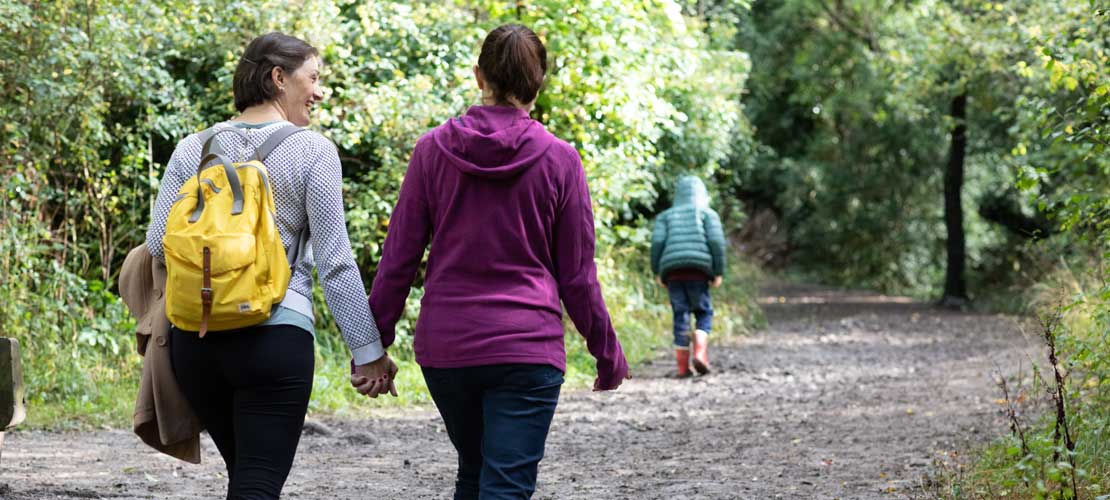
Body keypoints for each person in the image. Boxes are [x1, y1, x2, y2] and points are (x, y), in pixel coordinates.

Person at [360, 23, 629, 500]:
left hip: (448, 350)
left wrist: (372, 348)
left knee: (475, 473)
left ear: (479, 76)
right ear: (538, 82)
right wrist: (606, 352)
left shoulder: (431, 152)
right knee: (504, 484)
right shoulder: (561, 160)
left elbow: (397, 260)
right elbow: (578, 277)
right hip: (528, 349)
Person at [146, 32, 397, 499]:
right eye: (314, 78)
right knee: (258, 480)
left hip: (197, 341)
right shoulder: (312, 151)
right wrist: (368, 352)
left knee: (247, 475)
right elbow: (336, 262)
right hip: (275, 337)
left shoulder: (193, 148)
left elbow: (158, 242)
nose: (320, 91)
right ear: (279, 78)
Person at [651, 175, 726, 378]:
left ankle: (683, 368)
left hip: (673, 271)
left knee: (680, 314)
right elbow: (717, 243)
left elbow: (657, 243)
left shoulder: (666, 216)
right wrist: (718, 271)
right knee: (703, 312)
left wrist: (657, 270)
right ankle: (700, 352)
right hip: (699, 271)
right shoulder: (708, 214)